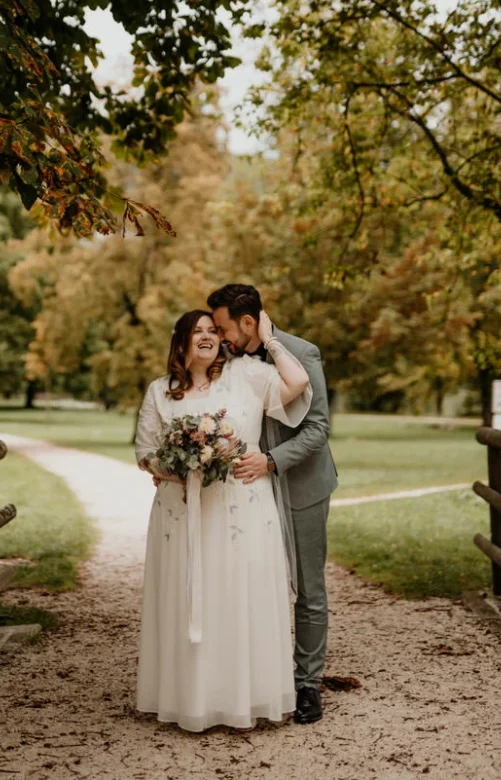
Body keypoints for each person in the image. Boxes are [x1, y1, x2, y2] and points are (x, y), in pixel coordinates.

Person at [135, 307, 312, 732]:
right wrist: (184, 463)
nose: (207, 336)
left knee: (238, 595)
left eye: (214, 330)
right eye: (197, 331)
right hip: (182, 513)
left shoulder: (247, 375)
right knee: (188, 598)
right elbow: (145, 454)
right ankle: (190, 700)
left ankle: (244, 699)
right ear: (181, 341)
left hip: (241, 510)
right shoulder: (160, 391)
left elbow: (298, 382)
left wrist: (269, 338)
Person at [207, 284, 338, 725]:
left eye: (224, 327)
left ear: (249, 322)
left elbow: (318, 429)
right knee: (254, 583)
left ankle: (307, 684)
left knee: (308, 587)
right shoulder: (229, 360)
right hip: (251, 491)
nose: (220, 336)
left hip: (300, 484)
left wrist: (271, 461)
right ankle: (263, 677)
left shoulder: (303, 352)